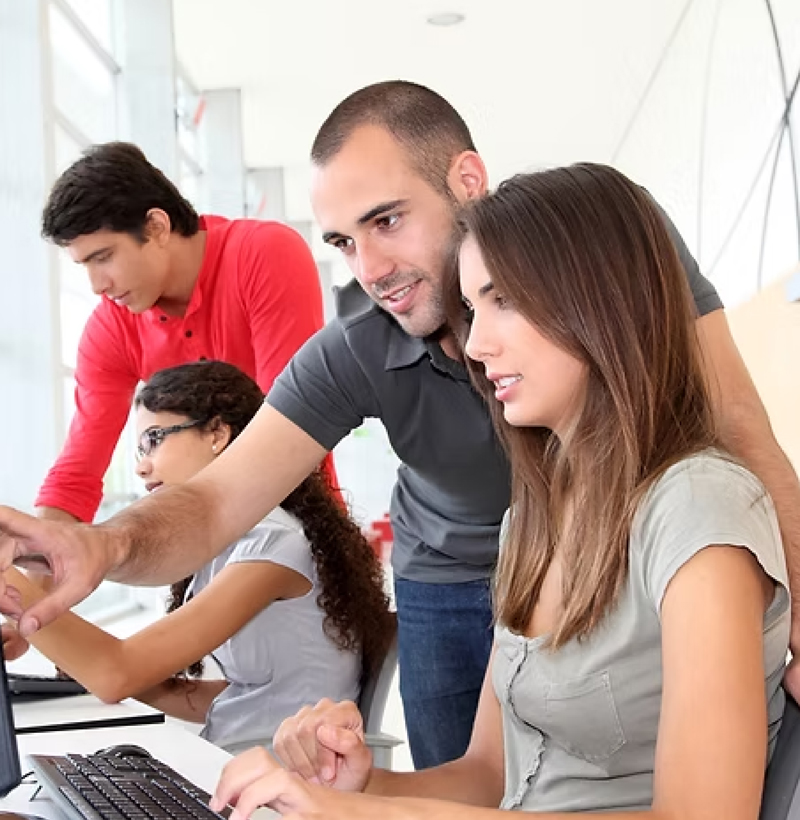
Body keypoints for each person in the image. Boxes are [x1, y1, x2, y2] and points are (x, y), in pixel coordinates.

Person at [1, 82, 799, 770]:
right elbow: (214, 504)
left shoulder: (608, 255)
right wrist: (99, 547)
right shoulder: (357, 346)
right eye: (344, 243)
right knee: (470, 772)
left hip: (599, 549)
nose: (370, 270)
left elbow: (737, 421)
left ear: (467, 180)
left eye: (387, 220)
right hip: (448, 574)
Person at [209, 164, 791, 819]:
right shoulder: (532, 517)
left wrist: (365, 817)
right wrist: (351, 789)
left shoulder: (699, 507)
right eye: (472, 308)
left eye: (504, 300)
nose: (477, 345)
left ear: (603, 299)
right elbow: (487, 778)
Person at [2, 361, 393, 754]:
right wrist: (79, 661)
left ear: (218, 434)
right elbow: (244, 699)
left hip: (280, 780)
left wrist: (11, 586)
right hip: (244, 762)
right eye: (140, 449)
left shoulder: (273, 542)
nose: (141, 466)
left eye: (155, 439)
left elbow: (115, 673)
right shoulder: (230, 545)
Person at [36, 141, 327, 525]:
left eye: (103, 257)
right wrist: (34, 556)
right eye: (83, 266)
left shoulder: (263, 255)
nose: (96, 286)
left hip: (298, 528)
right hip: (203, 542)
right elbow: (76, 476)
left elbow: (288, 432)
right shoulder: (110, 327)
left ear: (156, 226)